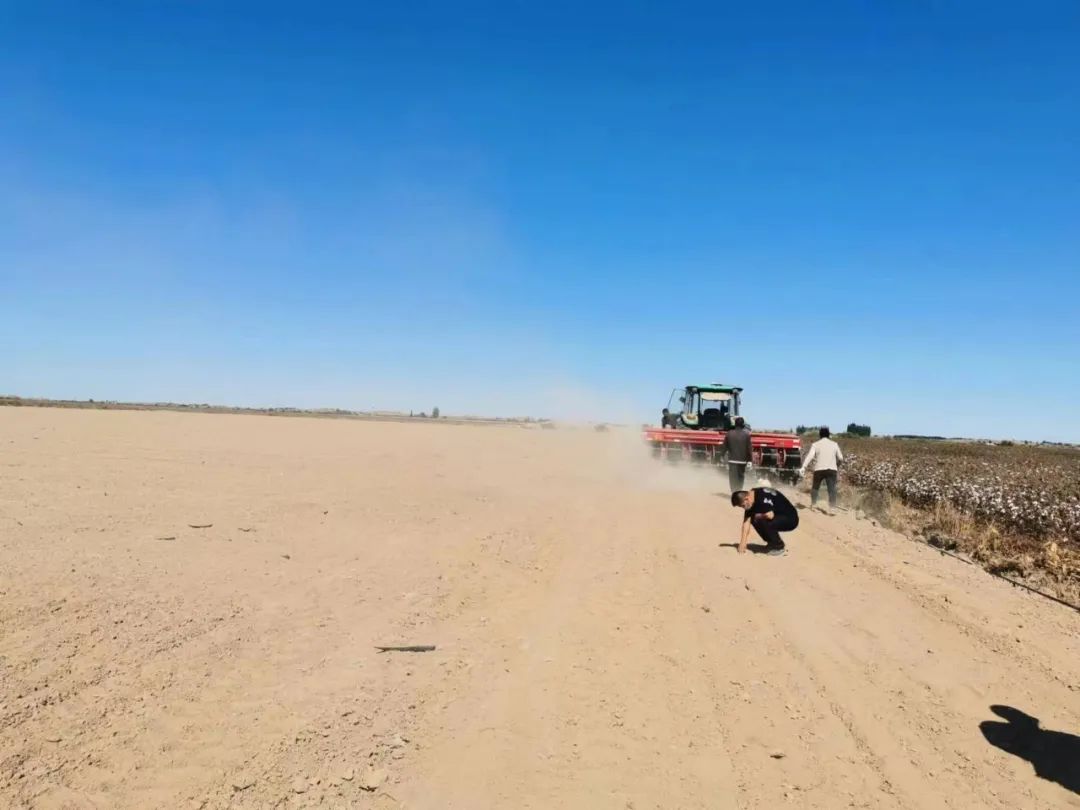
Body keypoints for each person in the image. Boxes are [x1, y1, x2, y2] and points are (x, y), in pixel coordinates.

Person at [731, 487, 799, 555]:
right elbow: (746, 522)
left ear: (747, 499)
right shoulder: (751, 499)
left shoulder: (762, 498)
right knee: (755, 518)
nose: (744, 508)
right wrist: (743, 542)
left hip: (790, 519)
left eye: (743, 506)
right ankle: (772, 542)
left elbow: (770, 515)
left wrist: (757, 516)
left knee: (759, 518)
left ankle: (779, 546)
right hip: (779, 516)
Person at [800, 427, 844, 514]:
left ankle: (813, 505)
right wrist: (837, 465)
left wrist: (803, 467)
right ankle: (832, 508)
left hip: (819, 469)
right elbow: (841, 458)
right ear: (829, 435)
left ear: (820, 435)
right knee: (832, 489)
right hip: (832, 469)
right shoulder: (834, 444)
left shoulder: (815, 444)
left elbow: (810, 456)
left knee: (815, 487)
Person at [723, 416, 753, 492]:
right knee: (740, 477)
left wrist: (721, 456)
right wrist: (750, 461)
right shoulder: (747, 435)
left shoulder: (729, 434)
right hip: (742, 462)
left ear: (735, 424)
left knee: (732, 478)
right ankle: (739, 492)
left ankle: (734, 492)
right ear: (743, 425)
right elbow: (749, 449)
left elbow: (724, 447)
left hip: (732, 461)